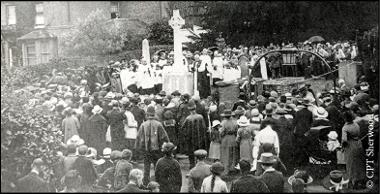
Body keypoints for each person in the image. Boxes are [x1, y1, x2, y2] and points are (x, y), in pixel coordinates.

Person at [135, 105, 169, 186]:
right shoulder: (159, 124)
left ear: (147, 114)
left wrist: (138, 148)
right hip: (156, 149)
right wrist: (167, 146)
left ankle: (146, 182)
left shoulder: (143, 125)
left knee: (146, 167)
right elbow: (164, 137)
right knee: (157, 166)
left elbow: (139, 137)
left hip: (146, 150)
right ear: (154, 114)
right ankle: (158, 181)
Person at [341, 111, 366, 189]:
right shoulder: (356, 124)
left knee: (351, 164)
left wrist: (342, 147)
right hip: (358, 144)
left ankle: (353, 182)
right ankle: (361, 181)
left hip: (350, 146)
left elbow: (344, 140)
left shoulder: (345, 128)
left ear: (345, 118)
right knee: (360, 164)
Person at [180, 100, 208, 169]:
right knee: (199, 153)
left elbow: (182, 128)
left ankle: (192, 166)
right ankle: (200, 165)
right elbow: (204, 127)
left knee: (191, 153)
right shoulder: (200, 117)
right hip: (200, 138)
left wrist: (186, 135)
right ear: (195, 108)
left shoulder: (188, 118)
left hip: (190, 139)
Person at [293, 98, 313, 167]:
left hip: (299, 132)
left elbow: (294, 123)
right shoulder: (310, 113)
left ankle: (299, 163)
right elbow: (311, 124)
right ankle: (305, 162)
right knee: (306, 148)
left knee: (299, 148)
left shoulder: (298, 112)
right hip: (306, 133)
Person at [219, 109, 239, 175]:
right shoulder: (235, 122)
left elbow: (221, 132)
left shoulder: (223, 123)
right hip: (233, 139)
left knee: (226, 154)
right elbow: (237, 131)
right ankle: (232, 168)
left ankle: (226, 169)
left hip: (226, 139)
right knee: (233, 154)